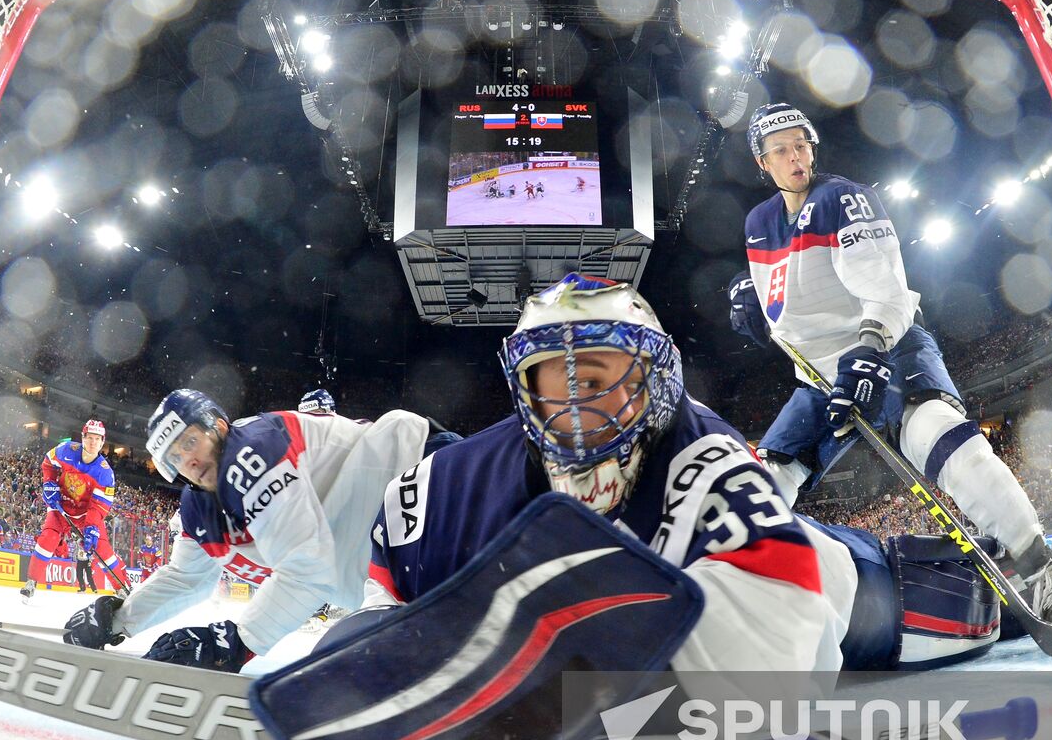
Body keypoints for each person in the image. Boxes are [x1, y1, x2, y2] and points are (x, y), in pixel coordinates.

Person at [354, 274, 1000, 676]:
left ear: (656, 382)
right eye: (557, 381)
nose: (577, 409)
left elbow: (777, 669)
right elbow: (391, 584)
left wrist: (577, 692)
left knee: (968, 603)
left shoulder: (706, 457)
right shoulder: (446, 484)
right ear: (523, 391)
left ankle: (992, 570)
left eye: (599, 379)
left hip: (843, 591)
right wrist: (372, 636)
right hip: (721, 569)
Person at [731, 102, 1052, 624]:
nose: (795, 157)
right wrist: (757, 316)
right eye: (780, 150)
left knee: (946, 441)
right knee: (758, 485)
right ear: (764, 162)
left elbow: (889, 291)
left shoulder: (844, 198)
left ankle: (1041, 568)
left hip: (887, 349)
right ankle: (740, 599)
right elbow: (788, 311)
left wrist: (869, 349)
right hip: (817, 378)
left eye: (801, 145)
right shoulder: (758, 223)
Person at [62, 392, 447, 671]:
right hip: (398, 555)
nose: (189, 460)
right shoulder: (198, 505)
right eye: (176, 456)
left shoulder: (251, 454)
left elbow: (308, 568)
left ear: (219, 426)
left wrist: (235, 642)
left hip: (428, 486)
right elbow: (186, 579)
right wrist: (116, 619)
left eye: (191, 441)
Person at [21, 419, 127, 599]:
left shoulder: (105, 472)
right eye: (90, 438)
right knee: (49, 537)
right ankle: (31, 582)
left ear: (102, 442)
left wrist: (92, 527)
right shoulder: (67, 450)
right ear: (83, 438)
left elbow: (99, 505)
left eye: (97, 439)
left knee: (102, 549)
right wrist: (49, 484)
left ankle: (121, 588)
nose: (93, 443)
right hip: (60, 506)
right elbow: (48, 463)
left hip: (86, 515)